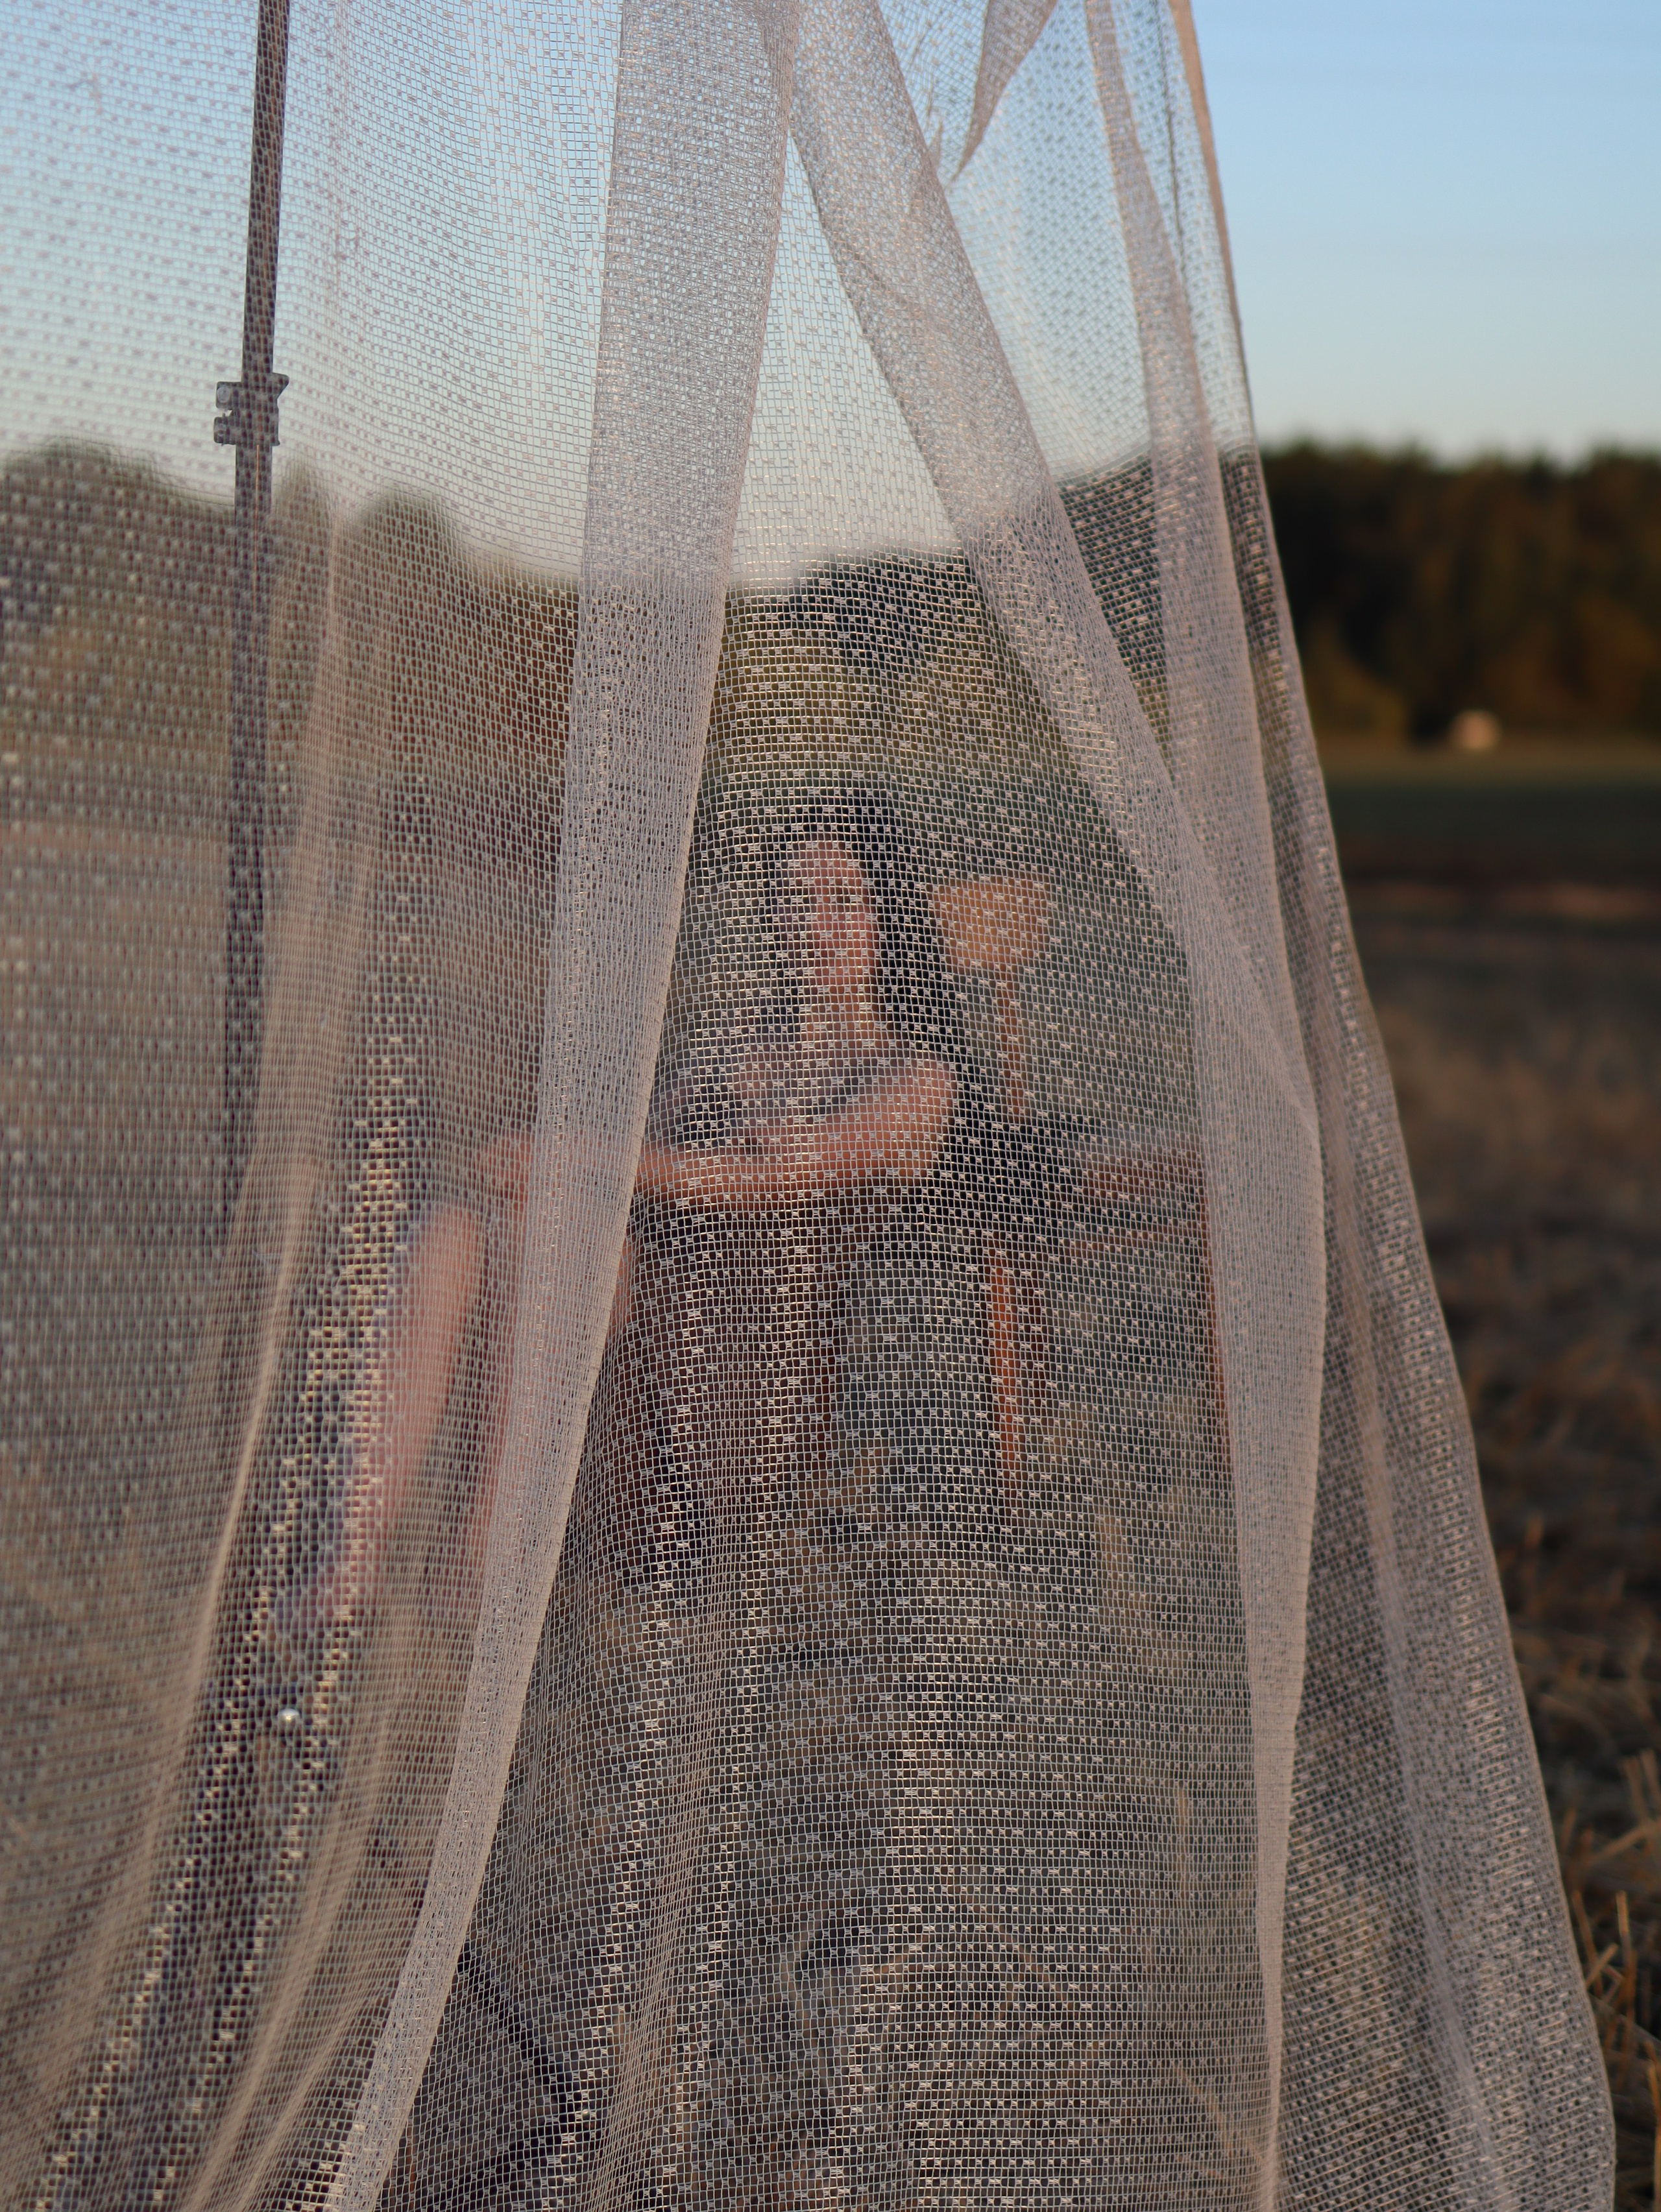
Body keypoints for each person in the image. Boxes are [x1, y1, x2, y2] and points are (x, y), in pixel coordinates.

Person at [379, 789, 968, 2206]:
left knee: (552, 1211)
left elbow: (753, 1179)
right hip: (630, 1361)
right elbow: (632, 1149)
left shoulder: (909, 1075)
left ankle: (476, 1566)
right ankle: (380, 1549)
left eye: (840, 898)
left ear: (886, 920)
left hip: (731, 1404)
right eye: (792, 896)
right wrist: (557, 1161)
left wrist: (580, 1161)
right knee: (470, 1216)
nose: (810, 923)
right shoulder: (729, 1048)